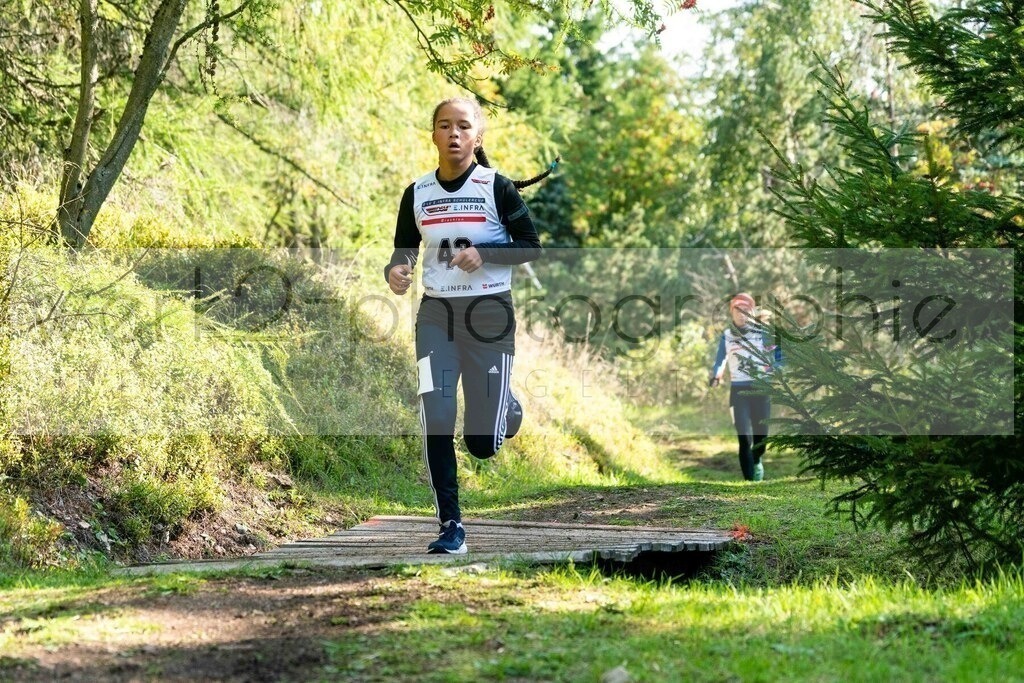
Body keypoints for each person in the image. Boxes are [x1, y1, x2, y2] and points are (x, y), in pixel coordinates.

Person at [385, 97, 550, 554]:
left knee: (481, 442)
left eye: (463, 126)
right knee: (435, 416)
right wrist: (396, 272)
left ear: (477, 137)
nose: (453, 134)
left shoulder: (495, 187)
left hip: (489, 316)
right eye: (444, 126)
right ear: (433, 134)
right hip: (435, 317)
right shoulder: (416, 193)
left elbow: (531, 246)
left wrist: (486, 253)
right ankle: (450, 526)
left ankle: (507, 409)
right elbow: (404, 253)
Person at [708, 293, 782, 482]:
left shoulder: (765, 332)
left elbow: (780, 357)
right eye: (737, 310)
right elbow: (720, 360)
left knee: (761, 440)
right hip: (738, 391)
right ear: (731, 312)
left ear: (752, 312)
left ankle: (757, 459)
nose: (741, 314)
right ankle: (750, 481)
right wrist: (716, 375)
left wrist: (776, 369)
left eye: (745, 310)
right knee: (744, 438)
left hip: (761, 389)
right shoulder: (726, 336)